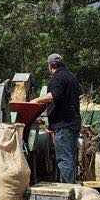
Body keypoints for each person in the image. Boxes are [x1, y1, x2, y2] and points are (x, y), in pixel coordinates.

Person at [29, 53, 81, 184]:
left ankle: (68, 190)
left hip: (63, 124)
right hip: (73, 123)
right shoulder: (72, 77)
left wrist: (35, 100)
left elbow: (53, 96)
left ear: (50, 65)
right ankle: (70, 187)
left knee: (64, 160)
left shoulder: (57, 78)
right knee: (70, 158)